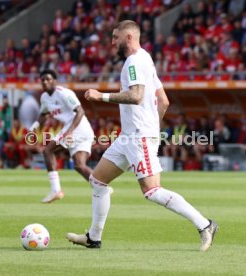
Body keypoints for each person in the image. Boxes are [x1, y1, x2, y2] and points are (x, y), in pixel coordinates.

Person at [66, 20, 218, 251]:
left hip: (138, 136)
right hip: (131, 136)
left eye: (115, 37)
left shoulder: (133, 62)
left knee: (152, 190)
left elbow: (136, 96)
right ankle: (93, 237)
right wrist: (153, 128)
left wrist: (101, 96)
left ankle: (205, 224)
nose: (112, 41)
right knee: (98, 181)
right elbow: (164, 101)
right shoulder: (146, 58)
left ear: (128, 37)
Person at [29, 69, 95, 203]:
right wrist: (35, 126)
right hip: (78, 130)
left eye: (48, 79)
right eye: (43, 80)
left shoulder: (64, 93)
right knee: (79, 165)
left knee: (48, 151)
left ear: (55, 81)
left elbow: (80, 111)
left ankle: (56, 190)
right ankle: (102, 187)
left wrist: (70, 131)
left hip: (78, 127)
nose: (45, 82)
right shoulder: (45, 98)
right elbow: (43, 114)